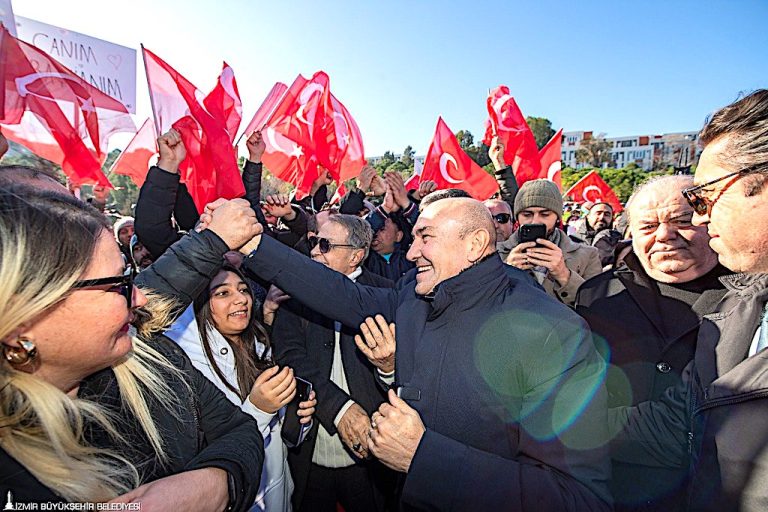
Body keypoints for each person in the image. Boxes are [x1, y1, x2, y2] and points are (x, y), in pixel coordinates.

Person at [236, 197, 611, 511]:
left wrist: (424, 458)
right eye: (413, 238)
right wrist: (252, 244)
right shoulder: (413, 297)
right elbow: (341, 296)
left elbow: (578, 497)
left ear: (475, 243)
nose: (411, 252)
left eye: (425, 238)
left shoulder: (552, 332)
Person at [0, 187, 263, 510]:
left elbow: (239, 431)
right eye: (116, 286)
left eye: (128, 279)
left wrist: (217, 481)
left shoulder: (154, 356)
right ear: (21, 321)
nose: (138, 298)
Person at [611, 89, 768, 511]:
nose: (699, 217)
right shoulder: (736, 316)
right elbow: (671, 426)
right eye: (647, 226)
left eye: (704, 197)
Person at [576, 174, 730, 512]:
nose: (664, 235)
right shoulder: (595, 294)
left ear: (710, 219)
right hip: (609, 489)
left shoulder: (747, 297)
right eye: (647, 226)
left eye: (681, 220)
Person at [166, 264, 317, 512]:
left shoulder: (258, 346)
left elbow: (278, 435)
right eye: (222, 293)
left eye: (243, 290)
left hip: (277, 492)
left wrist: (296, 416)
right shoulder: (189, 371)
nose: (241, 299)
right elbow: (203, 460)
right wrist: (259, 409)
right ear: (200, 303)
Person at [271, 214, 395, 512]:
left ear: (356, 256)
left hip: (373, 457)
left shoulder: (388, 296)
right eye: (314, 242)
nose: (314, 251)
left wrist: (389, 368)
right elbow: (289, 356)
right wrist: (338, 409)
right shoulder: (295, 292)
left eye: (325, 245)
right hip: (312, 452)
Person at [499, 179, 602, 305]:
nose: (535, 221)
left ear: (558, 217)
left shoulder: (588, 255)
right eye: (527, 214)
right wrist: (505, 271)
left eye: (545, 214)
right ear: (517, 217)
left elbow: (597, 305)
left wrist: (564, 275)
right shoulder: (494, 252)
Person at [574, 202, 623, 267]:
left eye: (607, 214)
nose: (602, 217)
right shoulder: (572, 240)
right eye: (598, 213)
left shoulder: (618, 241)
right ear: (588, 217)